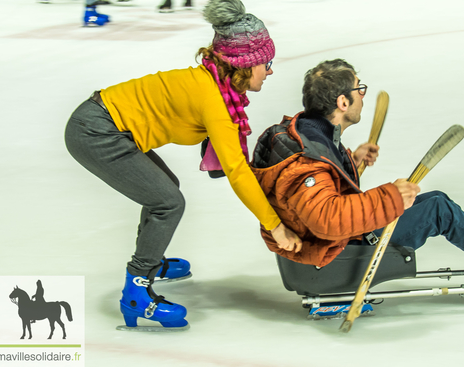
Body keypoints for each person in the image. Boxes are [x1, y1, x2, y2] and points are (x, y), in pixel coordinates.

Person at [65, 0, 301, 331]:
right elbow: (237, 170)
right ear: (245, 66)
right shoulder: (215, 101)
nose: (271, 70)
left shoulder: (213, 83)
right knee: (168, 202)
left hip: (104, 122)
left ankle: (151, 262)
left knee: (166, 190)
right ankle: (136, 293)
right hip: (96, 131)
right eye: (267, 63)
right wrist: (276, 225)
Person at [250, 58, 464, 289]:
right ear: (342, 102)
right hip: (337, 253)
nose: (362, 94)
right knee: (440, 211)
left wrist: (352, 160)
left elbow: (319, 184)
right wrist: (390, 196)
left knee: (436, 199)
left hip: (332, 243)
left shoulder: (305, 132)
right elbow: (327, 219)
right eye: (357, 89)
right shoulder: (310, 161)